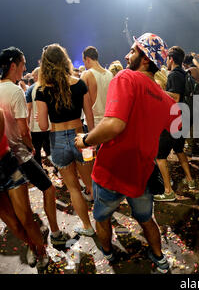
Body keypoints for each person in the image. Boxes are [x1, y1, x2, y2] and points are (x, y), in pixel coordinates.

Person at [74, 33, 179, 273]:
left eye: (132, 50)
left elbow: (114, 125)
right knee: (146, 218)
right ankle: (159, 257)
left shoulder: (126, 77)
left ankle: (109, 253)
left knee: (101, 217)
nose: (127, 55)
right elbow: (178, 124)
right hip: (141, 174)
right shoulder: (166, 99)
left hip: (112, 170)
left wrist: (85, 140)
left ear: (144, 58)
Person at [35, 44, 95, 236]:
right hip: (81, 137)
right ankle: (104, 223)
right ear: (64, 60)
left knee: (73, 189)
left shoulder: (41, 90)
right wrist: (91, 139)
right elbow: (89, 115)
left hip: (58, 140)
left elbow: (43, 126)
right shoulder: (79, 83)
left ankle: (88, 227)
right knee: (92, 184)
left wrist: (39, 117)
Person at [0, 49, 49, 269]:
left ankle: (38, 247)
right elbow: (22, 131)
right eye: (23, 64)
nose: (25, 69)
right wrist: (31, 148)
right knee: (16, 220)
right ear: (13, 65)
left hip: (7, 158)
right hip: (18, 154)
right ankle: (39, 242)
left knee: (19, 217)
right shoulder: (15, 90)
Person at [155, 46, 195, 201]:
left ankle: (168, 191)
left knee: (160, 156)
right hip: (183, 118)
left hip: (175, 119)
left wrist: (158, 90)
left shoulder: (173, 75)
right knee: (179, 149)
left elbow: (176, 98)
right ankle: (190, 180)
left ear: (170, 59)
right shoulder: (185, 73)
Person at [81, 46, 114, 128]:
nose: (84, 65)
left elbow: (83, 103)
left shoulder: (86, 74)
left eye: (84, 61)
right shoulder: (110, 74)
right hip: (108, 122)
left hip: (92, 124)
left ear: (87, 59)